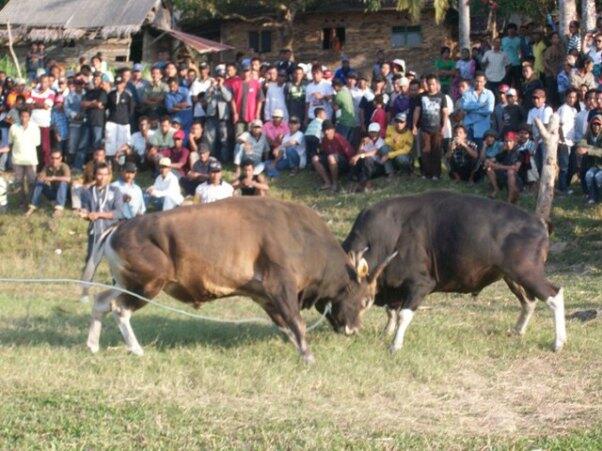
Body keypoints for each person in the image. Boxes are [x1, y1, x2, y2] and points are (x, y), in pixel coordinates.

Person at [79, 162, 123, 270]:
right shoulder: (87, 192)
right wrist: (84, 214)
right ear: (94, 175)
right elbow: (86, 211)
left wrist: (98, 214)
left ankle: (117, 284)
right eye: (100, 174)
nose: (102, 177)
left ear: (109, 175)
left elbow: (118, 213)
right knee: (90, 261)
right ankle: (85, 285)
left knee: (117, 262)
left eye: (105, 174)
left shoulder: (115, 191)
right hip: (95, 230)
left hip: (112, 230)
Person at [414, 74, 449, 179]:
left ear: (437, 84)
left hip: (437, 128)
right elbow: (417, 111)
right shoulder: (421, 96)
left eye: (433, 84)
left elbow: (445, 112)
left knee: (436, 151)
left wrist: (444, 126)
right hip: (425, 128)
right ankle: (425, 173)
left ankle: (436, 174)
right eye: (429, 84)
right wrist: (414, 125)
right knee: (425, 151)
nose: (431, 87)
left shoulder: (442, 96)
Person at [5, 109, 40, 209]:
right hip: (17, 159)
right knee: (19, 182)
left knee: (32, 182)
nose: (24, 118)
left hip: (31, 159)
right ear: (19, 116)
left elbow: (37, 143)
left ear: (29, 117)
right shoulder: (13, 127)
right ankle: (22, 202)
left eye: (26, 116)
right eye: (22, 116)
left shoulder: (35, 127)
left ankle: (32, 202)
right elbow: (10, 142)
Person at [311, 120, 354, 192]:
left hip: (343, 162)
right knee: (315, 158)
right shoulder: (324, 139)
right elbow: (324, 152)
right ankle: (327, 182)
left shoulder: (338, 137)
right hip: (331, 161)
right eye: (324, 130)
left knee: (331, 157)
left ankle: (335, 183)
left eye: (328, 130)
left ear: (333, 130)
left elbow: (350, 152)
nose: (326, 132)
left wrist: (353, 169)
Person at [25, 149, 70, 218]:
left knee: (63, 182)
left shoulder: (64, 166)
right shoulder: (47, 166)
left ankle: (58, 209)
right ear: (50, 158)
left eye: (57, 158)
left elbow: (68, 179)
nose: (55, 160)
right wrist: (41, 177)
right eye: (52, 158)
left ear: (61, 158)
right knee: (39, 182)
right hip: (52, 191)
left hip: (63, 193)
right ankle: (32, 207)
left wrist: (53, 178)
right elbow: (41, 176)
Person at [203, 68, 232, 161]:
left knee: (224, 140)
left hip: (222, 117)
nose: (219, 79)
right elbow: (206, 99)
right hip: (211, 117)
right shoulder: (211, 87)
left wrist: (221, 86)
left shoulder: (227, 87)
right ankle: (210, 159)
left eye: (221, 77)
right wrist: (212, 87)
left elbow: (228, 98)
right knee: (210, 140)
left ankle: (224, 159)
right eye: (218, 77)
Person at [485, 131, 522, 203]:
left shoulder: (519, 152)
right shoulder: (504, 152)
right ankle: (496, 189)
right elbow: (492, 159)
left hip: (515, 179)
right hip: (503, 176)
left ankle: (510, 197)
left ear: (515, 142)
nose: (508, 143)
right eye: (506, 141)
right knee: (489, 168)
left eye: (510, 141)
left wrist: (498, 166)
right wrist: (489, 162)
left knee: (510, 172)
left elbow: (516, 168)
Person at [350, 122, 387, 192]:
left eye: (375, 132)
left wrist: (360, 155)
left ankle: (365, 183)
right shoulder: (367, 141)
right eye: (371, 132)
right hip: (367, 166)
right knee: (355, 160)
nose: (373, 134)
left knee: (367, 159)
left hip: (377, 166)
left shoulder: (381, 142)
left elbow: (375, 152)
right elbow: (358, 153)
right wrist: (361, 143)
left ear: (379, 132)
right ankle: (353, 181)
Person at [230, 61, 264, 137]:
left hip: (251, 116)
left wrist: (257, 113)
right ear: (241, 71)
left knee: (251, 138)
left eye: (247, 71)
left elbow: (260, 100)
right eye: (244, 71)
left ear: (251, 71)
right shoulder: (235, 83)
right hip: (239, 117)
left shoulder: (256, 83)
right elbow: (232, 100)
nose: (246, 73)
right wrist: (235, 113)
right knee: (239, 138)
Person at [105, 75, 134, 161]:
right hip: (112, 121)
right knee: (110, 141)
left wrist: (125, 117)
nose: (118, 86)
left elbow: (131, 109)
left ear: (124, 84)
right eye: (117, 84)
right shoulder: (110, 94)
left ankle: (121, 162)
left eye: (120, 84)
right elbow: (107, 107)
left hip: (123, 122)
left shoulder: (128, 95)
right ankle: (110, 160)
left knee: (122, 142)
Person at [556, 88, 578, 194]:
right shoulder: (562, 109)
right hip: (563, 143)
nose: (572, 99)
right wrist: (562, 140)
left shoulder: (574, 110)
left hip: (572, 142)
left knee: (572, 166)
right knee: (564, 167)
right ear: (566, 97)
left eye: (574, 97)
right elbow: (559, 125)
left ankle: (566, 185)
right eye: (570, 97)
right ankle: (562, 188)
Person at [526, 88, 553, 175]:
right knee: (537, 163)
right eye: (534, 98)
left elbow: (545, 127)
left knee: (545, 163)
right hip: (535, 140)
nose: (536, 100)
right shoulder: (531, 111)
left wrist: (536, 141)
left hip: (545, 140)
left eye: (538, 98)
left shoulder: (547, 109)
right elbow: (529, 126)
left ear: (544, 98)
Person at [81, 72, 108, 152]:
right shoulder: (89, 92)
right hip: (87, 121)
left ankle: (96, 163)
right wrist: (93, 103)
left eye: (97, 79)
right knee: (83, 145)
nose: (95, 81)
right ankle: (78, 164)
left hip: (98, 122)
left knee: (96, 145)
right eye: (94, 78)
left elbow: (99, 104)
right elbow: (82, 104)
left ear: (101, 81)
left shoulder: (103, 92)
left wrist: (89, 104)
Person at [576, 139, 602, 204]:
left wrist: (588, 150)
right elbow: (594, 147)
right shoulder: (598, 136)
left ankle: (599, 198)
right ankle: (592, 197)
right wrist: (581, 147)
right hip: (597, 166)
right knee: (589, 174)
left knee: (598, 176)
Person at [332, 77, 357, 143]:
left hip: (343, 122)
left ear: (336, 86)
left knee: (341, 143)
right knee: (348, 144)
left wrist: (330, 100)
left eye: (334, 88)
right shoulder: (347, 92)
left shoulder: (339, 95)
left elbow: (336, 109)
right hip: (352, 122)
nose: (334, 90)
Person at [501, 23, 522, 87]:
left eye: (513, 29)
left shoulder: (519, 40)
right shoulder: (503, 40)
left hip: (516, 64)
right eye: (509, 29)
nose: (511, 31)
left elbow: (521, 52)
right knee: (506, 82)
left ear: (515, 30)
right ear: (507, 30)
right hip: (506, 64)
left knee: (517, 82)